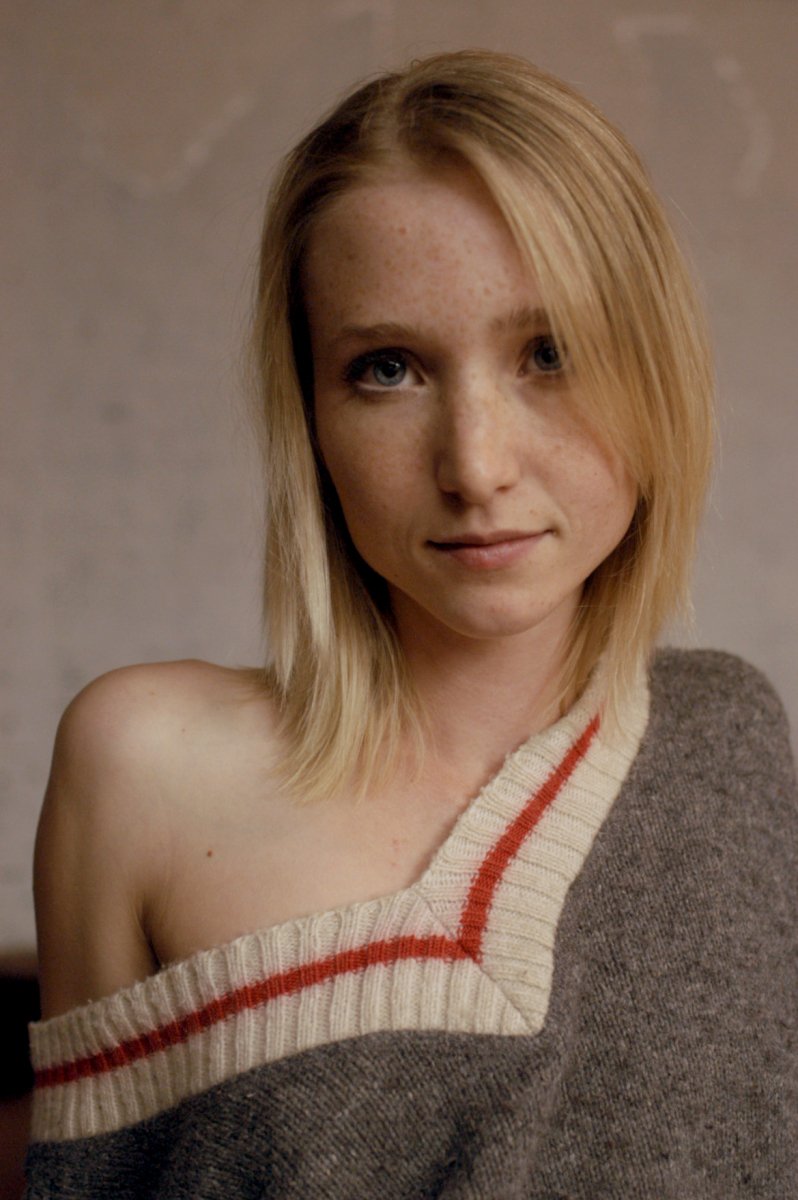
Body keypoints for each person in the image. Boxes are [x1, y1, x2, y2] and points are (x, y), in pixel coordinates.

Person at [25, 50, 797, 1199]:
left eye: (550, 354)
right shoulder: (141, 766)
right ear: (311, 414)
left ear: (656, 371)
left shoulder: (723, 738)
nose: (475, 466)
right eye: (388, 369)